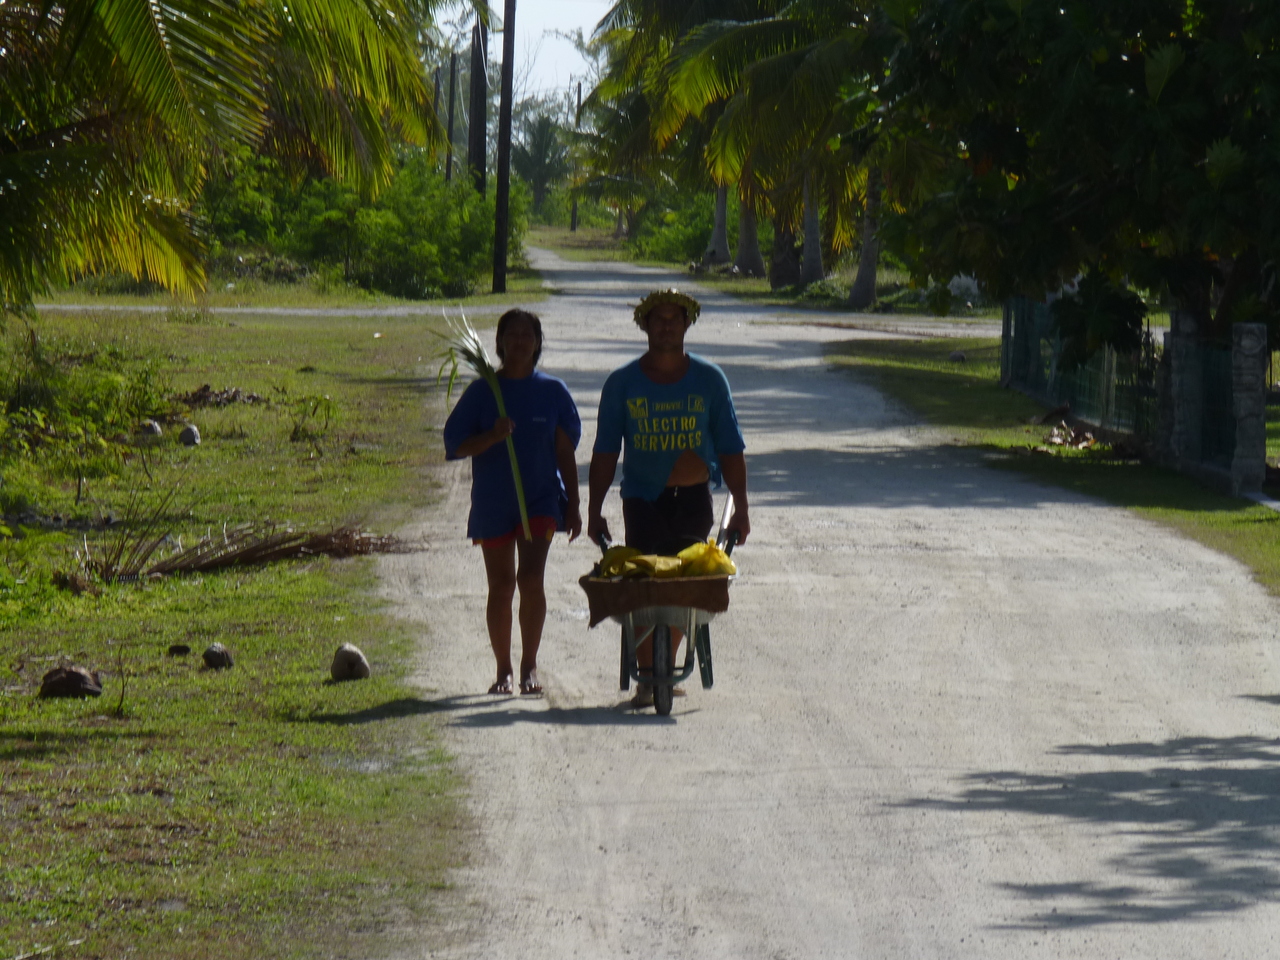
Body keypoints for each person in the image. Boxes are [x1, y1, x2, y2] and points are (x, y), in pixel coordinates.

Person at [587, 289, 749, 706]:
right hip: (642, 498)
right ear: (644, 326)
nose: (666, 326)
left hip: (693, 497)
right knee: (645, 583)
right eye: (657, 319)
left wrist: (741, 508)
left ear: (686, 324)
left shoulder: (709, 380)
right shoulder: (623, 383)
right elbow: (606, 451)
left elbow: (731, 447)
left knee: (685, 582)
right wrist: (593, 508)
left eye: (673, 319)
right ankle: (648, 676)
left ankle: (666, 663)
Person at [443, 309, 582, 696]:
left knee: (531, 579)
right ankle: (503, 670)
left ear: (538, 343)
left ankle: (529, 666)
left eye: (528, 335)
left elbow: (565, 451)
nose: (520, 342)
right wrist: (491, 436)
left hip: (540, 499)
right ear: (500, 343)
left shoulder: (553, 391)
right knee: (501, 584)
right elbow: (455, 444)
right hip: (494, 501)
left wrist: (573, 504)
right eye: (512, 335)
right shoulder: (482, 393)